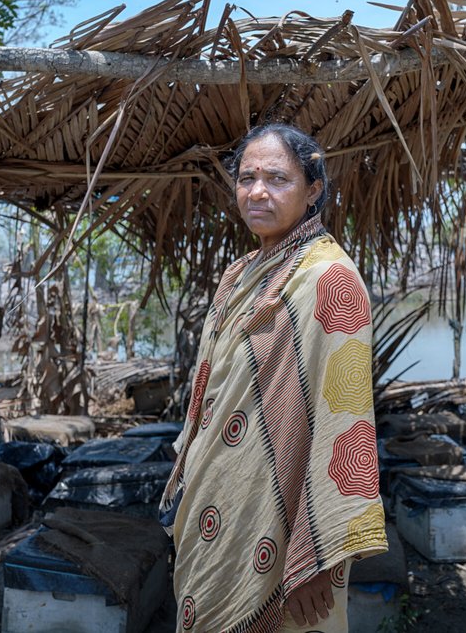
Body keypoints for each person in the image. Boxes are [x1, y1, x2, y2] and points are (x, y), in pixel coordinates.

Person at [159, 123, 387, 632]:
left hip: (286, 537)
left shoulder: (331, 279)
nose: (257, 191)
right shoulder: (238, 275)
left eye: (277, 178)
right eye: (247, 177)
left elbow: (344, 420)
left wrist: (315, 554)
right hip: (214, 513)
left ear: (312, 191)